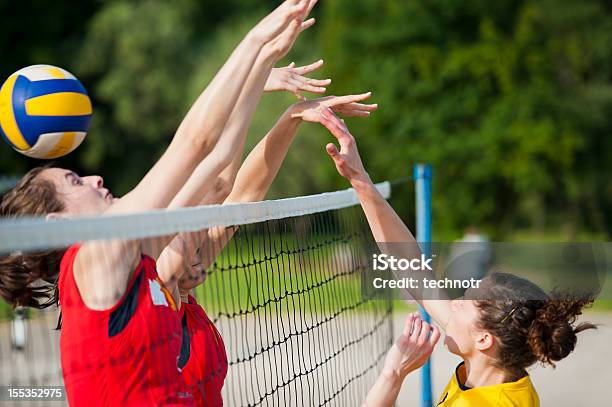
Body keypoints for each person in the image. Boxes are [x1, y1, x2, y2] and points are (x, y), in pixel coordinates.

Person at [0, 1, 318, 405]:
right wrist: (255, 42)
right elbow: (195, 143)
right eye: (74, 181)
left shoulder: (135, 258)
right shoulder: (94, 257)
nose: (96, 178)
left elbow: (218, 175)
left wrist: (260, 68)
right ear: (55, 220)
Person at [310, 108, 596, 407]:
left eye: (463, 303)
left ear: (484, 340)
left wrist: (393, 374)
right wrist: (361, 181)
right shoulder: (493, 371)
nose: (453, 303)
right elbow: (416, 274)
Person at [158, 86, 377, 404]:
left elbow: (242, 196)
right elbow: (220, 187)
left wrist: (292, 116)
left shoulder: (182, 287)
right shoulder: (159, 298)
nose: (199, 247)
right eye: (186, 236)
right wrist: (251, 81)